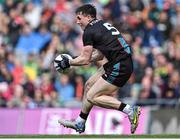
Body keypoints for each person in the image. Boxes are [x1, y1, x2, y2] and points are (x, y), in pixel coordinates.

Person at [56, 4, 141, 134]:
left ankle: (130, 110)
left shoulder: (89, 31)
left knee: (92, 97)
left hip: (119, 65)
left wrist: (68, 62)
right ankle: (80, 122)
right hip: (119, 61)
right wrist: (73, 60)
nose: (77, 21)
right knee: (89, 84)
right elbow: (99, 55)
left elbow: (85, 60)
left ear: (89, 17)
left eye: (79, 18)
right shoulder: (100, 25)